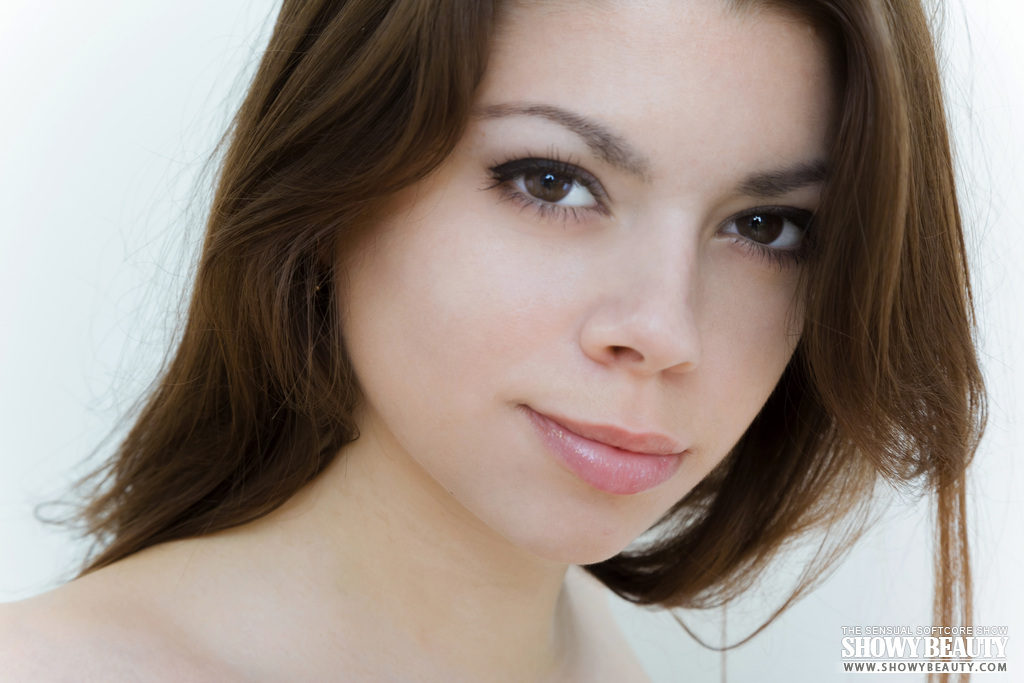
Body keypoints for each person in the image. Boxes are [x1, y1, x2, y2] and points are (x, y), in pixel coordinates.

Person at [0, 0, 986, 681]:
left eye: (766, 227)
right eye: (553, 182)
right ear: (334, 170)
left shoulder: (591, 644)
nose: (662, 328)